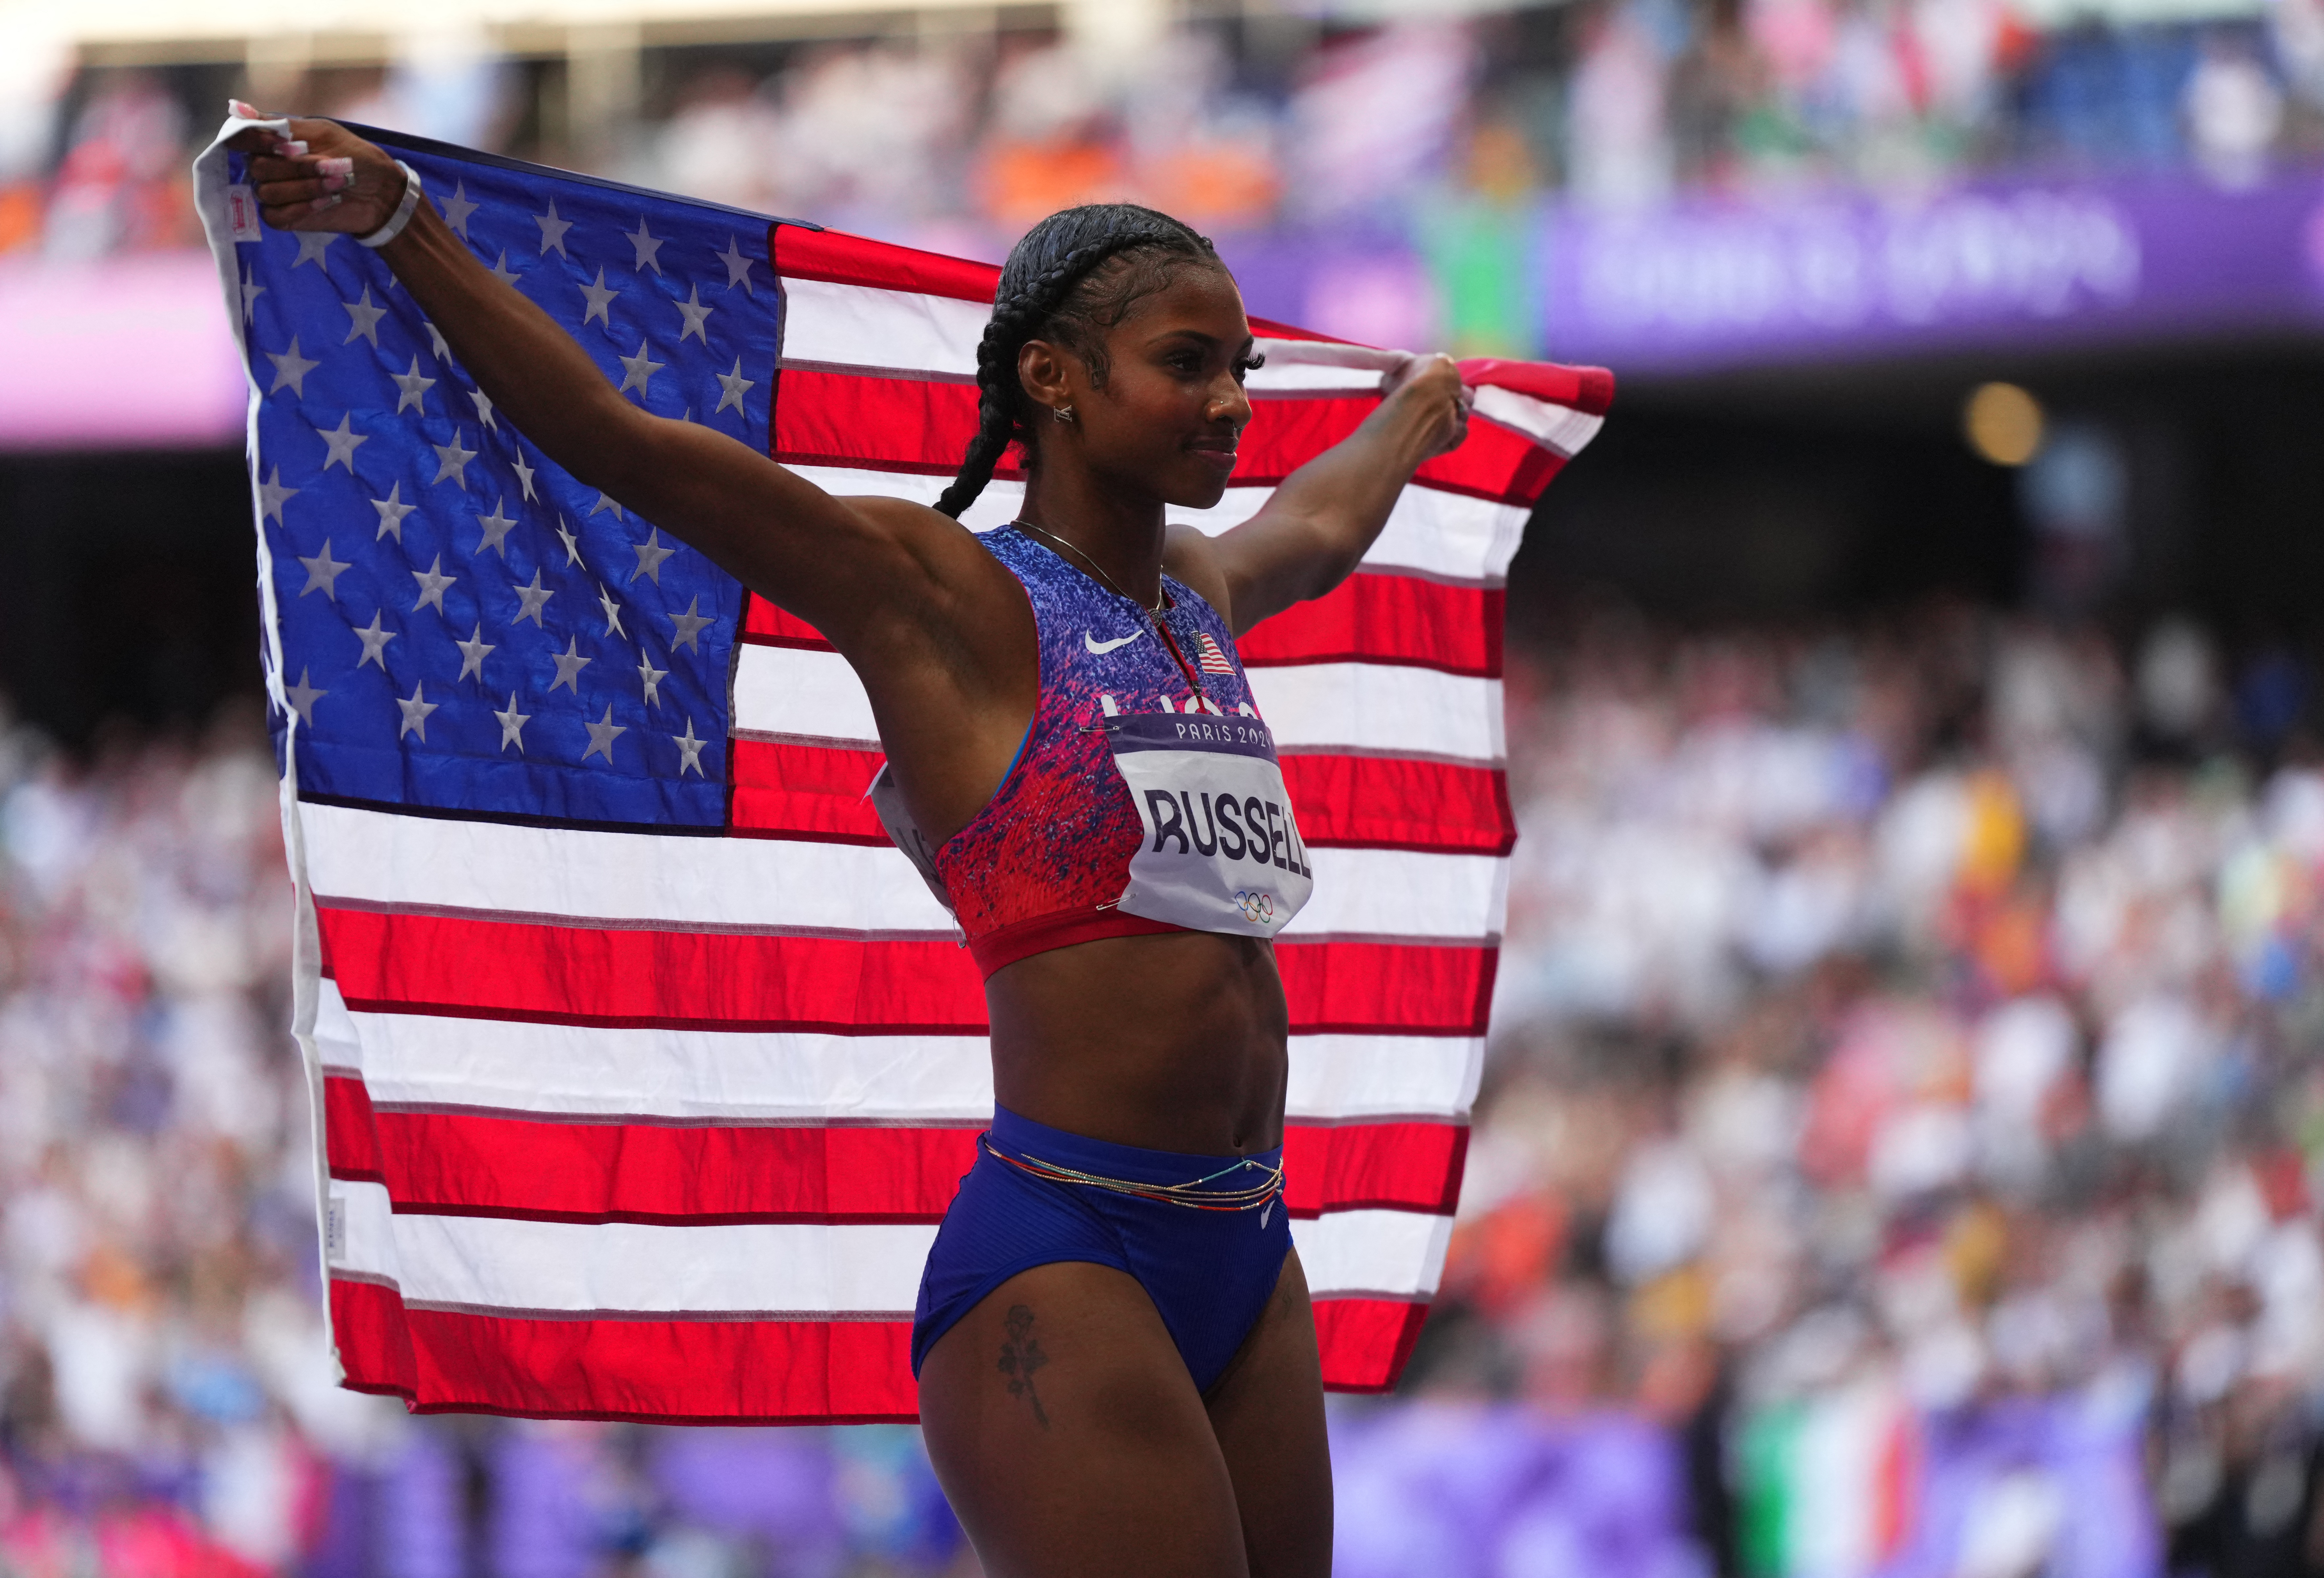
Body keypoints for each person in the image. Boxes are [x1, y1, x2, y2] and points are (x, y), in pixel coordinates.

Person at [237, 118, 1471, 1578]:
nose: (1230, 404)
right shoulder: (939, 598)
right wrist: (405, 229)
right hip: (1068, 1257)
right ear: (1054, 379)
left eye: (1241, 370)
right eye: (1188, 364)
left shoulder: (1196, 595)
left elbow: (1317, 528)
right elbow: (627, 444)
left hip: (1247, 1244)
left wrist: (1416, 413)